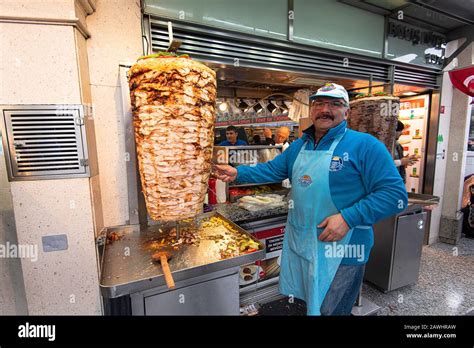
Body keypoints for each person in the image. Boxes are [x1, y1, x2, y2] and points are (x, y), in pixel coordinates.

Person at [213, 82, 408, 315]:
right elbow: (273, 170)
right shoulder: (299, 145)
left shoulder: (366, 145)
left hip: (343, 250)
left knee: (331, 310)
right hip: (304, 243)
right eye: (319, 103)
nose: (325, 109)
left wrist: (348, 218)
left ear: (347, 112)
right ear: (311, 110)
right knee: (309, 304)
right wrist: (237, 173)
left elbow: (395, 195)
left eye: (335, 104)